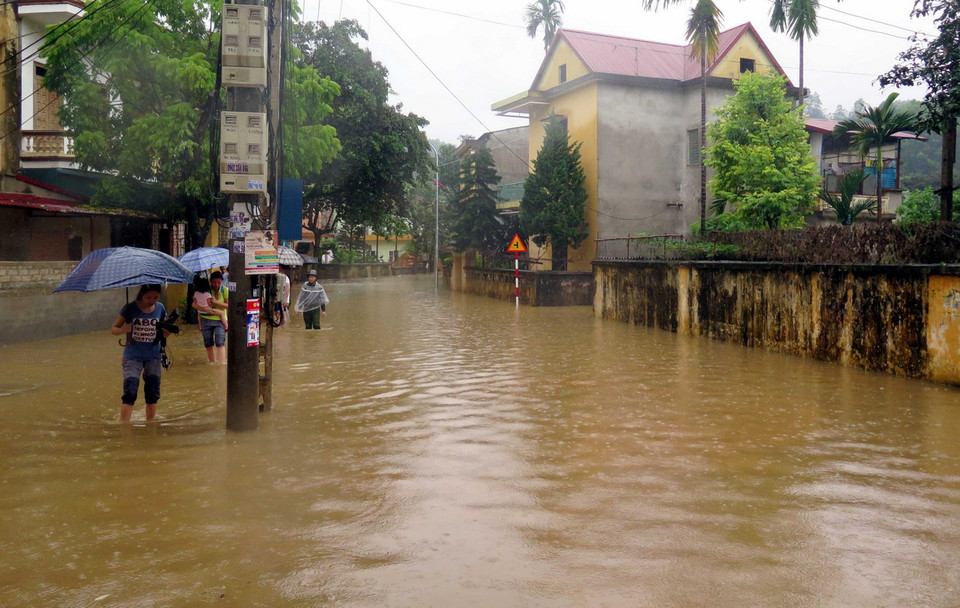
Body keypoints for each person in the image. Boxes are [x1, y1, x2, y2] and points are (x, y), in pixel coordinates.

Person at [110, 284, 170, 422]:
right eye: (148, 297)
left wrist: (166, 333)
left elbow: (163, 329)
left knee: (152, 393)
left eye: (155, 297)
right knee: (130, 391)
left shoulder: (160, 308)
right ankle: (124, 426)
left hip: (154, 357)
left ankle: (150, 424)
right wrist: (124, 329)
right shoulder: (129, 308)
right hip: (132, 357)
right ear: (141, 295)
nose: (152, 300)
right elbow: (113, 329)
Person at [194, 271, 229, 364]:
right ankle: (212, 363)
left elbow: (228, 305)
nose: (216, 284)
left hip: (219, 321)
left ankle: (222, 364)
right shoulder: (205, 290)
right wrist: (205, 309)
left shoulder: (225, 290)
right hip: (205, 319)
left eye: (218, 282)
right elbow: (194, 304)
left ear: (221, 281)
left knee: (220, 343)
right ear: (210, 282)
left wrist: (216, 302)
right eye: (214, 282)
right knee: (208, 344)